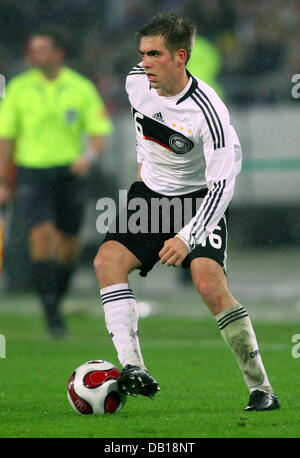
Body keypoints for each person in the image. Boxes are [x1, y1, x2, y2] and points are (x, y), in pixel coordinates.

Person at [93, 13, 280, 411]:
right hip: (151, 196)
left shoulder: (209, 113)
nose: (145, 62)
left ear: (180, 57)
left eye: (155, 54)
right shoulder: (135, 81)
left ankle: (261, 388)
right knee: (107, 261)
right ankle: (132, 367)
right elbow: (146, 124)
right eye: (142, 53)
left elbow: (223, 185)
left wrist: (186, 236)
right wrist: (145, 159)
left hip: (199, 199)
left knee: (209, 284)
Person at [0, 25, 113, 337]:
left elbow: (99, 132)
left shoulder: (80, 88)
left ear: (58, 53)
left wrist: (87, 157)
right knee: (42, 236)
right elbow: (6, 136)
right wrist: (2, 178)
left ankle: (56, 298)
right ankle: (51, 313)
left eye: (43, 49)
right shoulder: (19, 88)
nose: (36, 55)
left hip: (70, 173)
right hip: (32, 172)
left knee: (68, 245)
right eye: (33, 49)